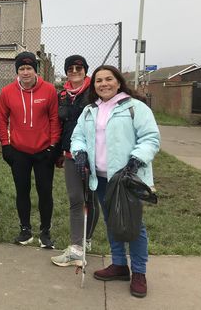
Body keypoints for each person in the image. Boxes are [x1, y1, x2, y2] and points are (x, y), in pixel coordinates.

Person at [71, 65, 160, 298]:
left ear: (118, 82)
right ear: (94, 86)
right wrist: (79, 152)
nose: (104, 84)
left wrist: (135, 161)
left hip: (127, 179)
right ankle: (120, 264)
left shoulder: (135, 108)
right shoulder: (90, 110)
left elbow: (150, 138)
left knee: (133, 225)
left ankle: (139, 272)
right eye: (99, 81)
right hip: (99, 178)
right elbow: (78, 135)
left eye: (109, 79)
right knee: (112, 220)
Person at [0, 51, 61, 249]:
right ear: (17, 71)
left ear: (36, 70)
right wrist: (6, 145)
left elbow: (54, 119)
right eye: (22, 69)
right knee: (22, 191)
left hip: (43, 152)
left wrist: (53, 145)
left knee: (45, 191)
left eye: (29, 68)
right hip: (19, 151)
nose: (25, 73)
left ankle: (45, 232)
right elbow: (1, 120)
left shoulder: (49, 90)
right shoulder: (7, 92)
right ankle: (25, 230)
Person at [51, 55, 100, 266]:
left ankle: (86, 238)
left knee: (91, 198)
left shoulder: (95, 91)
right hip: (70, 154)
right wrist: (58, 151)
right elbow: (59, 124)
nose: (74, 70)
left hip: (95, 154)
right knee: (75, 198)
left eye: (78, 67)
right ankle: (76, 248)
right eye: (70, 68)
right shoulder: (62, 94)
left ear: (85, 69)